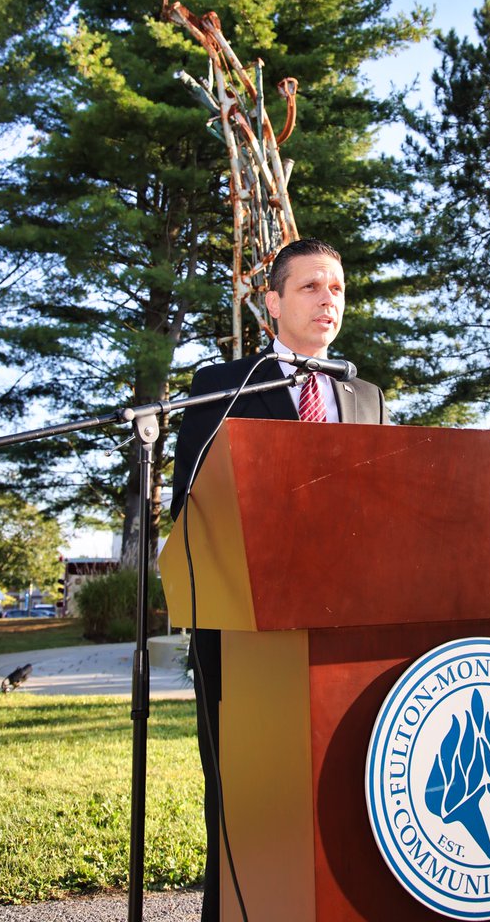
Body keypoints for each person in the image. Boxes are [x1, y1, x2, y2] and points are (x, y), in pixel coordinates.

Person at [170, 237, 389, 921]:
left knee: (339, 789)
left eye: (338, 289)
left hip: (340, 631)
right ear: (272, 302)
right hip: (242, 629)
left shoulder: (366, 396)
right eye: (311, 288)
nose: (329, 301)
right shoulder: (223, 386)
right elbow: (192, 508)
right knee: (244, 797)